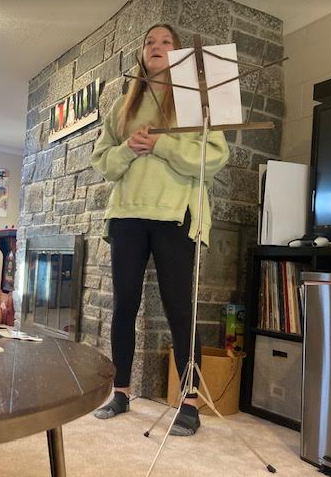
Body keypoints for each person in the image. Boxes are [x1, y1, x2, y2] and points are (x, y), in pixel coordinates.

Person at [89, 24, 229, 436]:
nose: (156, 46)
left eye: (166, 42)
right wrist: (127, 148)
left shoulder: (194, 103)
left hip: (175, 215)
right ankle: (120, 392)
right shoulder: (122, 106)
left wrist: (160, 145)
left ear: (178, 53)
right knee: (124, 307)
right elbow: (103, 162)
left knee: (179, 308)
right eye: (150, 42)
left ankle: (189, 402)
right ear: (142, 54)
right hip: (128, 214)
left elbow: (214, 158)